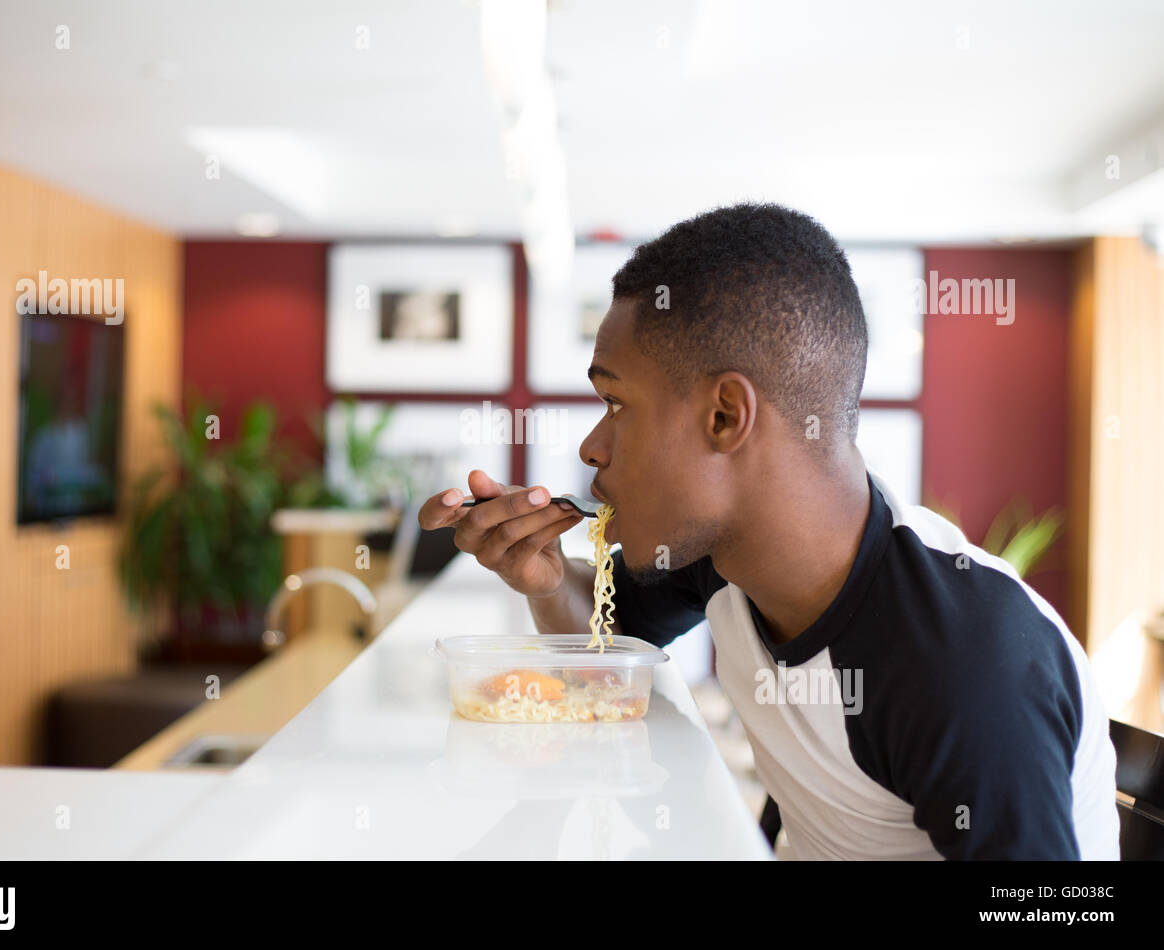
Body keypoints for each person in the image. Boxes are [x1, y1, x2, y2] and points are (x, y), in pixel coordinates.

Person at [418, 202, 1119, 860]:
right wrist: (542, 577)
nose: (593, 449)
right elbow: (603, 655)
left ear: (725, 416)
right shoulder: (723, 555)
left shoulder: (965, 664)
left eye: (616, 403)